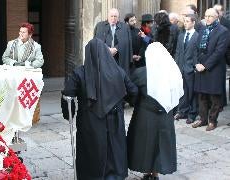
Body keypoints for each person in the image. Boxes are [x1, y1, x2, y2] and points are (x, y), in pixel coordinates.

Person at [61, 38, 138, 180]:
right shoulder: (118, 71)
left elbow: (68, 95)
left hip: (90, 121)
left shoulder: (79, 73)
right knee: (114, 150)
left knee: (92, 152)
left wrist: (68, 113)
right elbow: (133, 92)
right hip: (114, 119)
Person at [127, 42, 183, 180]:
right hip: (165, 116)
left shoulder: (141, 73)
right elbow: (177, 95)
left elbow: (131, 93)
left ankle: (147, 172)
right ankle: (156, 173)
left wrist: (135, 103)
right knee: (161, 144)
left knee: (145, 143)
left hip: (145, 114)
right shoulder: (172, 73)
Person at [192, 8, 229, 131]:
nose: (207, 18)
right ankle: (202, 119)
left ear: (216, 17)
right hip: (200, 66)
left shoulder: (223, 31)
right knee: (202, 95)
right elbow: (196, 48)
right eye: (206, 16)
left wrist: (205, 65)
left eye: (210, 16)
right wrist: (197, 63)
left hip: (214, 68)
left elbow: (219, 52)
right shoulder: (202, 29)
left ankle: (212, 120)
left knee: (214, 97)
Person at [174, 14, 199, 124]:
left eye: (188, 21)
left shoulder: (197, 36)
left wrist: (195, 67)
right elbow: (178, 52)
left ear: (193, 23)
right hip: (180, 68)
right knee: (182, 91)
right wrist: (176, 66)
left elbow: (197, 54)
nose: (185, 23)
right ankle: (183, 111)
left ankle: (192, 113)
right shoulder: (181, 35)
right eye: (184, 21)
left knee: (192, 92)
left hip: (191, 69)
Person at [94, 8, 133, 76]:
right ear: (108, 16)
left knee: (118, 77)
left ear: (118, 17)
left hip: (119, 58)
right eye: (111, 16)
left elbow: (127, 42)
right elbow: (96, 41)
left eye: (115, 16)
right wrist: (107, 49)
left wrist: (116, 48)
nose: (113, 18)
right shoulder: (100, 26)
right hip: (104, 57)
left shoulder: (125, 27)